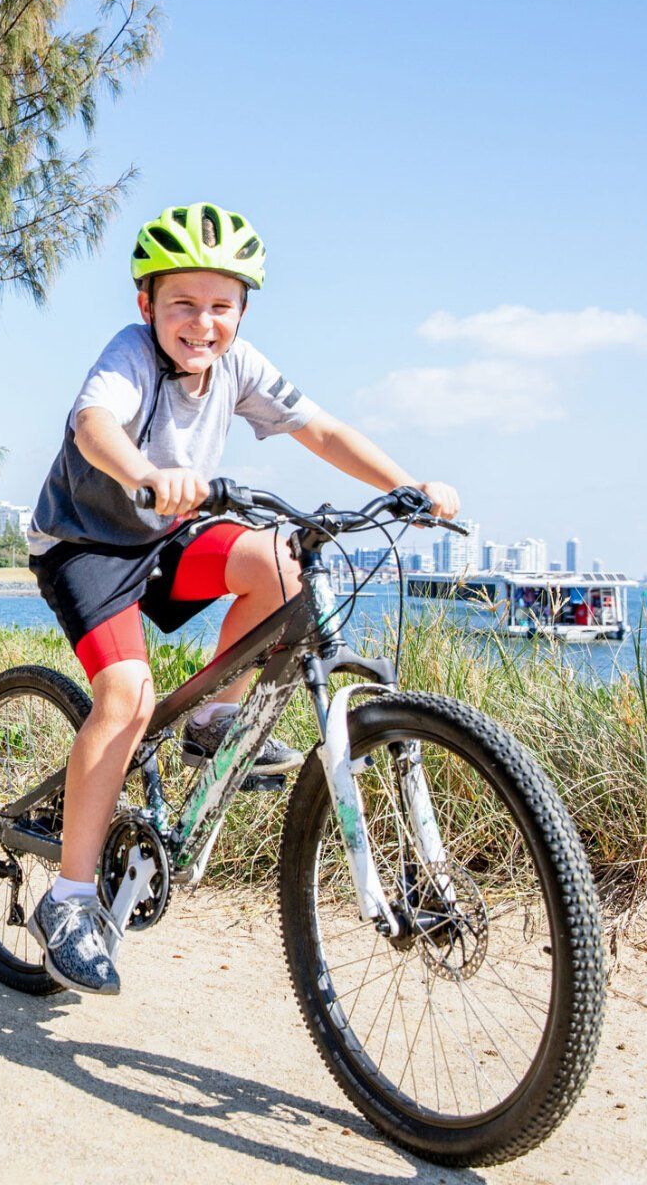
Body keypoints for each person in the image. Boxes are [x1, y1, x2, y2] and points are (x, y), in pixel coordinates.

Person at [23, 201, 460, 995]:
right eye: (182, 303)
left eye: (221, 305)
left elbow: (319, 430)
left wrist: (406, 487)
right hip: (88, 544)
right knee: (124, 697)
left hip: (166, 538)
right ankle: (69, 900)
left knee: (283, 566)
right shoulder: (127, 357)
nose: (202, 323)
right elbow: (95, 427)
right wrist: (147, 474)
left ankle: (214, 719)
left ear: (243, 311)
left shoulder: (240, 366)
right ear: (146, 304)